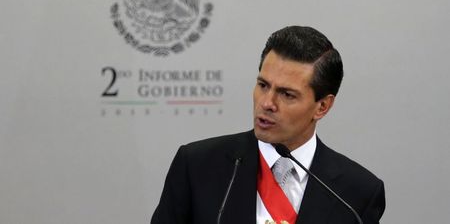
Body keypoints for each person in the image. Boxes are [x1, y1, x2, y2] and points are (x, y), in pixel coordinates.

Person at [151, 26, 385, 224]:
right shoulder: (197, 166)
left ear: (322, 106)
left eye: (287, 94)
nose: (266, 103)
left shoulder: (357, 194)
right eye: (263, 85)